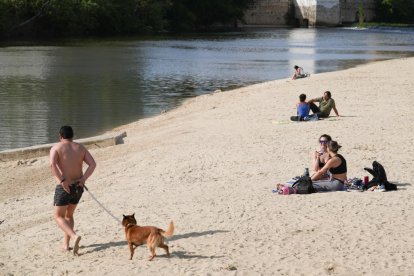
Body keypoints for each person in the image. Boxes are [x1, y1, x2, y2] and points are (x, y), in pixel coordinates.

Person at [50, 125, 96, 255]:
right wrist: (83, 179)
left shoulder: (56, 147)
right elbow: (93, 164)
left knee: (58, 216)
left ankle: (74, 236)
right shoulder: (80, 147)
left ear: (60, 136)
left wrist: (62, 181)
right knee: (69, 215)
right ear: (72, 136)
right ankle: (66, 245)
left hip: (65, 186)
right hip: (78, 186)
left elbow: (52, 165)